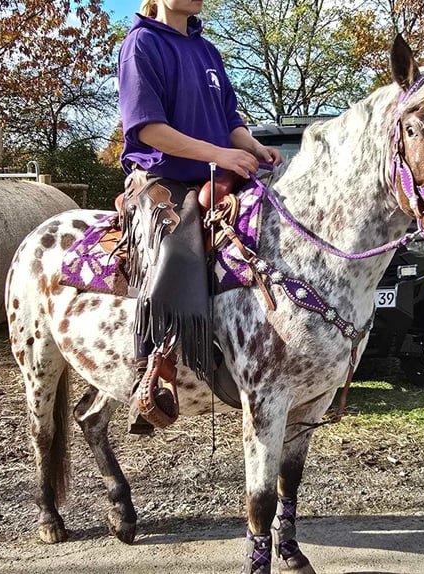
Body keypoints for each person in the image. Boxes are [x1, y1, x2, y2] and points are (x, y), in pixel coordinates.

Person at [118, 0, 282, 433]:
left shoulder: (207, 50)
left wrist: (252, 147)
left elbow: (230, 119)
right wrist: (220, 154)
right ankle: (150, 372)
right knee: (180, 250)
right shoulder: (142, 45)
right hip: (163, 177)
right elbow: (148, 128)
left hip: (217, 172)